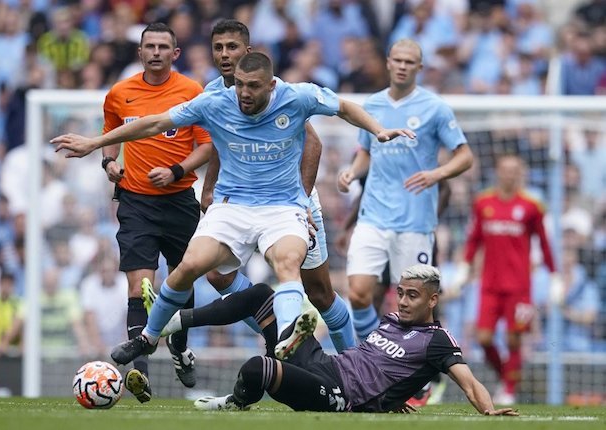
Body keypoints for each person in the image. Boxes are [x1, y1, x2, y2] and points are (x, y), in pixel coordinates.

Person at [52, 51, 414, 369]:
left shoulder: (297, 96)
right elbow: (156, 122)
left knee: (289, 265)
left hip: (282, 207)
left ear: (271, 85)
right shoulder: (215, 102)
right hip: (232, 207)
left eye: (252, 86)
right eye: (239, 85)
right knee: (190, 266)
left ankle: (288, 336)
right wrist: (96, 142)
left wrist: (378, 130)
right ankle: (148, 337)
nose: (243, 93)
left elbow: (345, 108)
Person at [203, 19, 356, 351]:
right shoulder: (214, 94)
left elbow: (313, 144)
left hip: (290, 202)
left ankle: (356, 365)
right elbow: (221, 143)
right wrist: (208, 189)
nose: (225, 54)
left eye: (232, 47)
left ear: (249, 51)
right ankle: (282, 331)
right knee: (217, 275)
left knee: (320, 292)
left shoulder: (277, 92)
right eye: (219, 47)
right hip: (240, 203)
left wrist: (299, 202)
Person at [193, 264, 518, 416]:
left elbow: (469, 382)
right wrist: (391, 399)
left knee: (256, 369)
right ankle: (181, 322)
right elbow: (380, 368)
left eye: (412, 296)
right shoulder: (391, 320)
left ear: (432, 301)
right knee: (263, 295)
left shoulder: (438, 340)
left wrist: (488, 411)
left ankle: (236, 401)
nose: (402, 302)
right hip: (327, 364)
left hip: (339, 395)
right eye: (401, 294)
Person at [99, 22, 213, 403]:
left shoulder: (192, 92)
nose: (157, 52)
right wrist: (109, 162)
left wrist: (177, 171)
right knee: (137, 286)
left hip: (180, 199)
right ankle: (139, 371)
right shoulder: (119, 93)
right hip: (135, 201)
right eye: (150, 46)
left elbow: (207, 146)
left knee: (182, 282)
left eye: (164, 46)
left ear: (175, 53)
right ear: (140, 51)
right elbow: (110, 135)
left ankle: (180, 350)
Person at [337, 38, 473, 341]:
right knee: (358, 294)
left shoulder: (435, 108)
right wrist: (350, 171)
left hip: (415, 223)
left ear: (419, 68)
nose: (402, 66)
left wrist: (436, 174)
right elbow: (366, 152)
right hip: (373, 216)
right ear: (388, 62)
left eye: (409, 62)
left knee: (416, 306)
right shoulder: (371, 105)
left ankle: (418, 379)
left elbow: (465, 156)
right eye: (397, 60)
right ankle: (374, 356)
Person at [451, 153, 560, 405]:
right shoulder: (483, 202)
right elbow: (474, 239)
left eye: (514, 170)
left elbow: (544, 243)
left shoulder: (532, 206)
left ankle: (509, 390)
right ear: (497, 172)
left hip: (520, 287)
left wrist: (554, 276)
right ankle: (508, 377)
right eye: (505, 169)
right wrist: (464, 267)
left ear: (521, 173)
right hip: (489, 284)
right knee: (484, 338)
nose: (509, 174)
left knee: (514, 338)